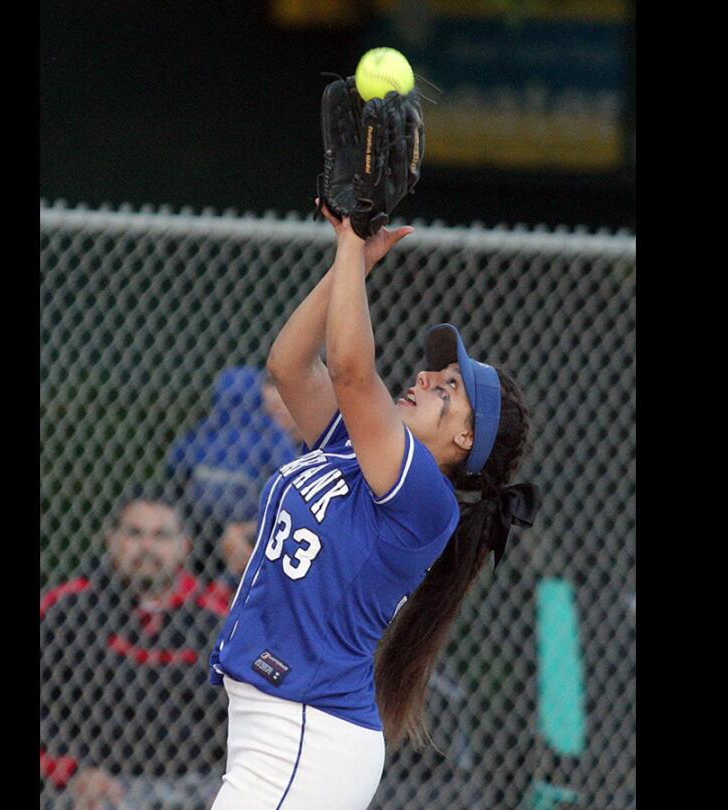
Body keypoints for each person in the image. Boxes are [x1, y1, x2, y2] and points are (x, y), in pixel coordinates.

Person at [205, 202, 539, 810]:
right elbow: (289, 366)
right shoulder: (352, 451)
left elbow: (355, 375)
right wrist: (349, 262)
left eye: (448, 391)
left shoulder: (427, 500)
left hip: (307, 731)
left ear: (466, 440)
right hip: (283, 724)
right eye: (435, 374)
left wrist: (353, 249)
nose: (424, 379)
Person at [40, 486, 231, 810]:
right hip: (95, 787)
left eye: (161, 536)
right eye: (134, 534)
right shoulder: (67, 608)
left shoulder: (217, 620)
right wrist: (70, 773)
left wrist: (232, 786)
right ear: (111, 540)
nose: (146, 547)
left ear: (185, 547)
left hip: (200, 786)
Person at [166, 366, 303, 581]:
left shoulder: (204, 434)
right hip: (206, 533)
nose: (276, 403)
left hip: (256, 534)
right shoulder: (265, 439)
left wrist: (248, 529)